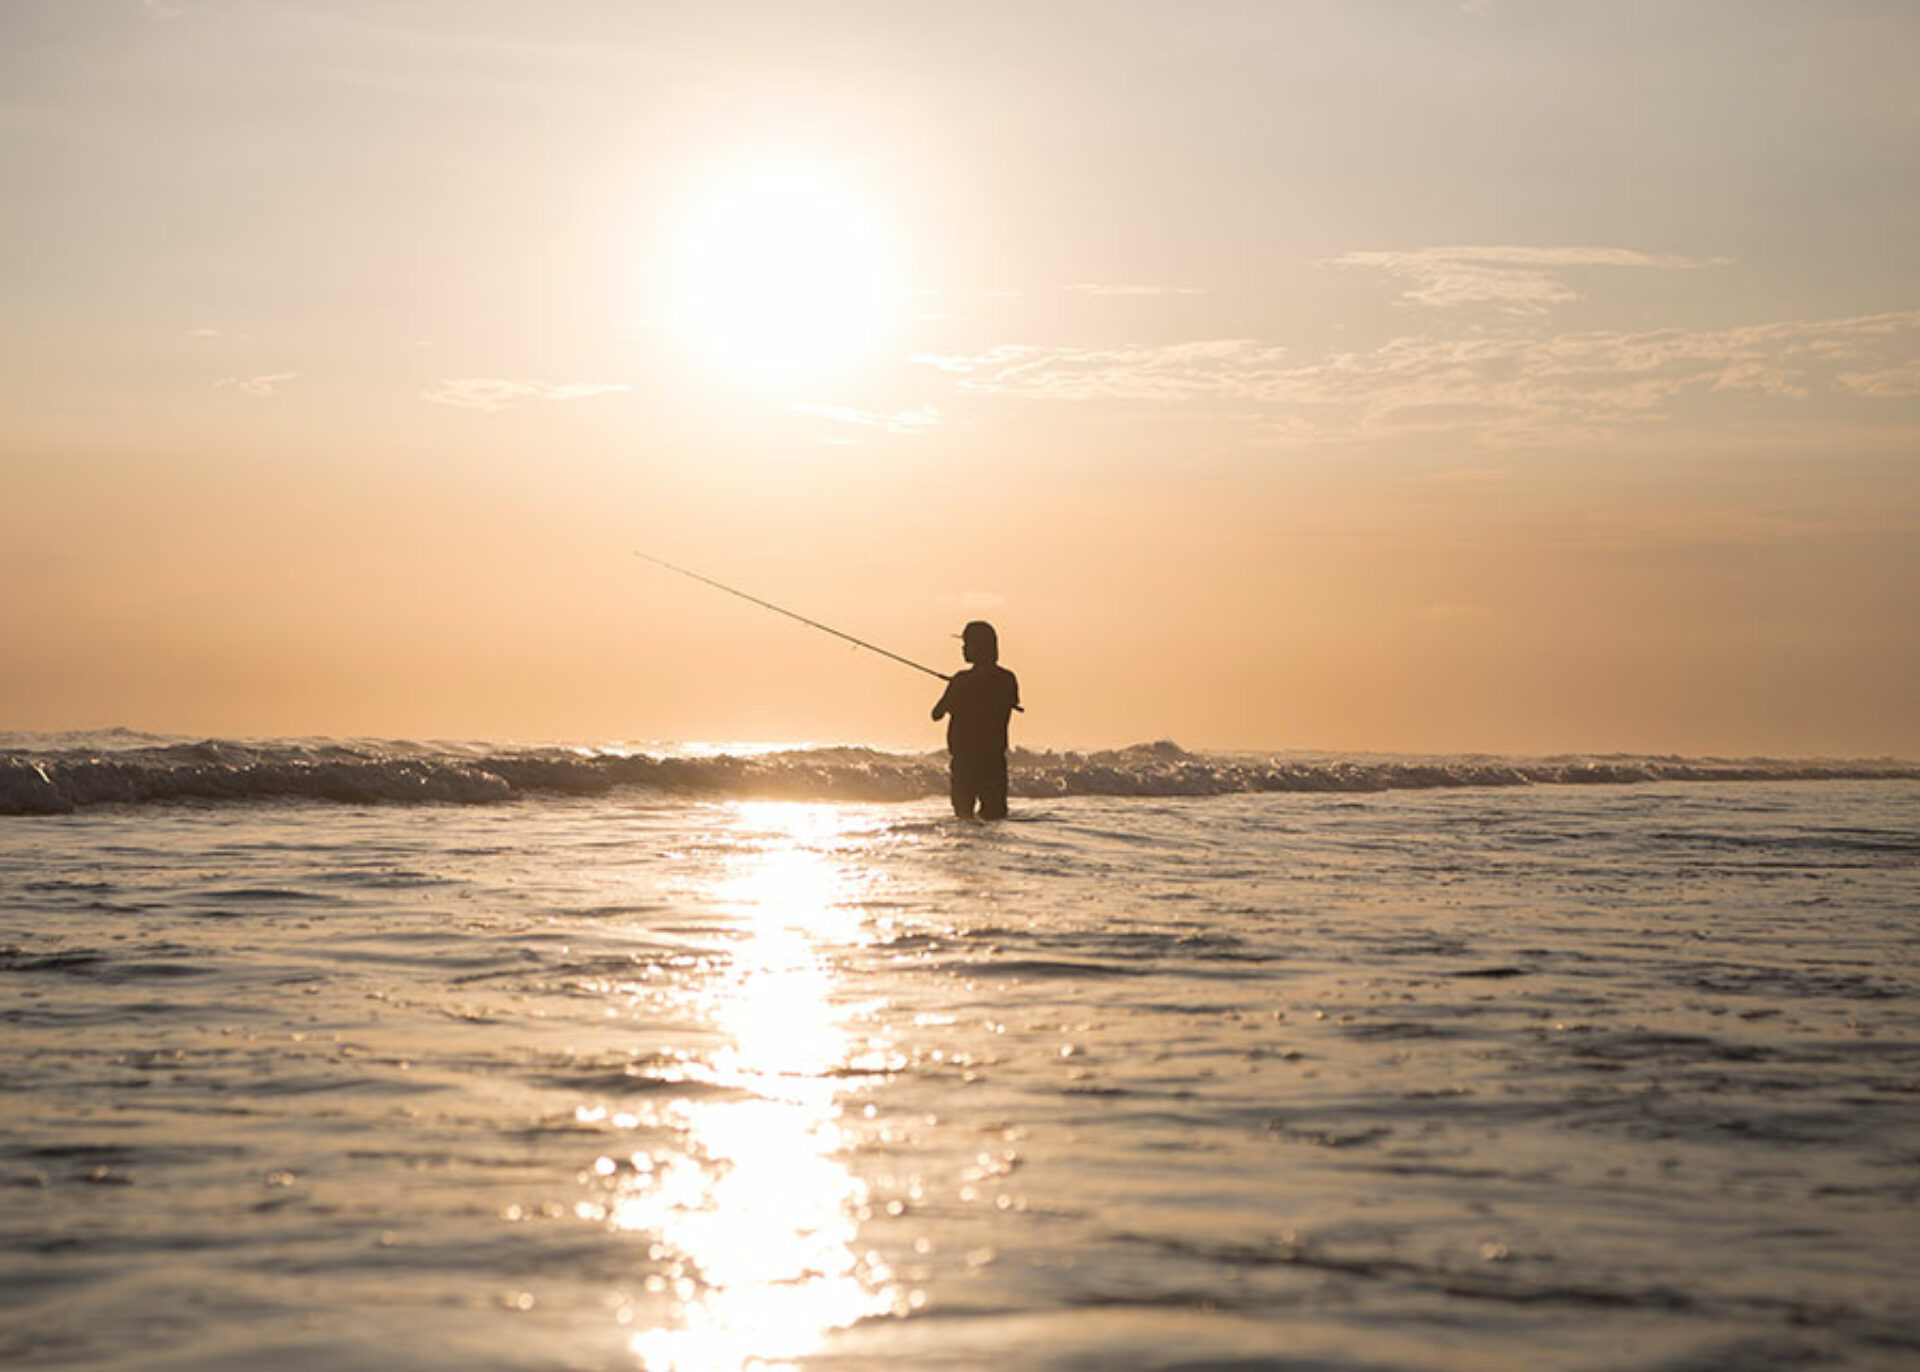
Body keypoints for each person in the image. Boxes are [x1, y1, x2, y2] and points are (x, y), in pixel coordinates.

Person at [931, 620, 1021, 820]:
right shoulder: (1007, 679)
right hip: (994, 761)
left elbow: (936, 714)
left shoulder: (961, 680)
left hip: (966, 762)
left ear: (979, 647)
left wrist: (955, 688)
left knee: (964, 816)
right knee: (995, 816)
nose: (963, 649)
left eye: (967, 644)